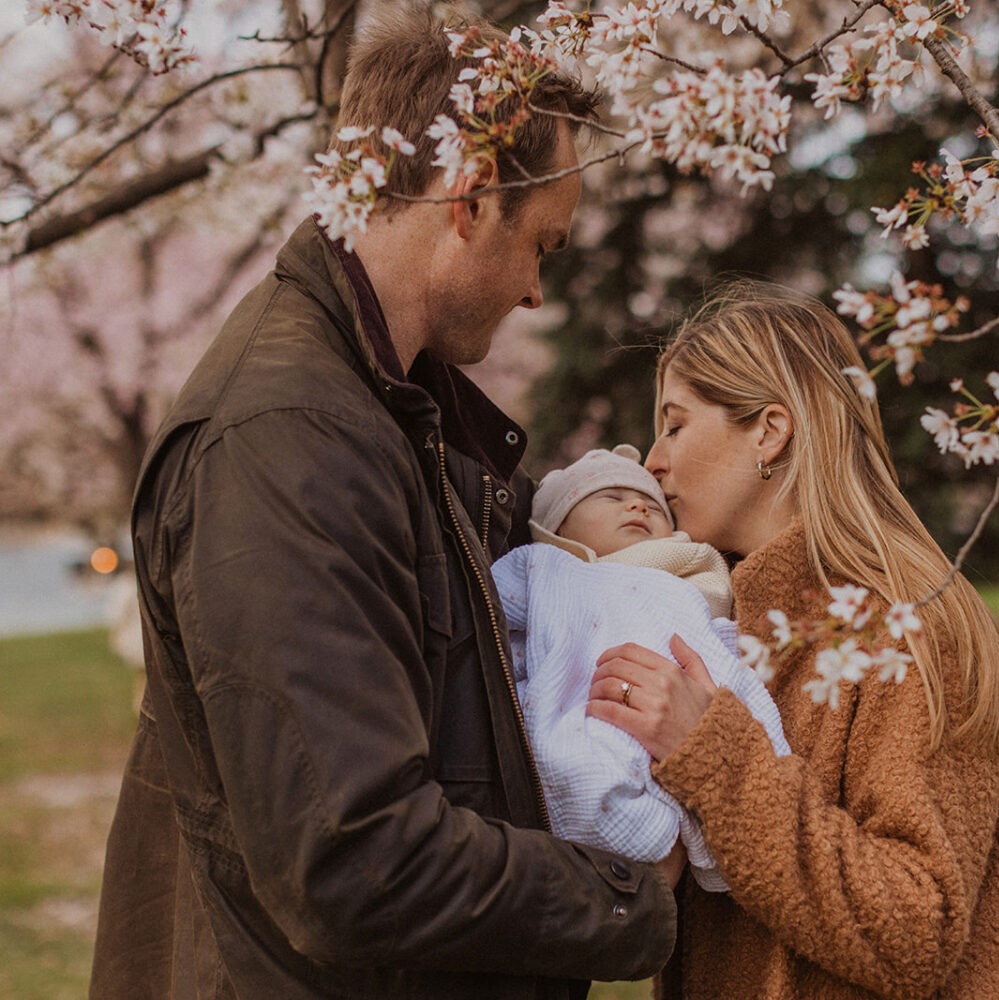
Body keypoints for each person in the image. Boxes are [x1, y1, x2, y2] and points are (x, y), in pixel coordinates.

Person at [89, 9, 678, 999]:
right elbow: (353, 858)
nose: (538, 292)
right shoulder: (287, 438)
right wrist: (634, 893)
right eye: (544, 244)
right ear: (469, 195)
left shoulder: (395, 408)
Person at [587, 281, 999, 999]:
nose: (652, 461)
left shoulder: (914, 629)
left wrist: (714, 760)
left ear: (770, 431)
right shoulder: (731, 630)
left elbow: (915, 929)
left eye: (675, 425)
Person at [491, 444, 789, 892]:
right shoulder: (547, 567)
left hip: (668, 765)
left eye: (651, 504)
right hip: (572, 737)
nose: (636, 504)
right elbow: (489, 622)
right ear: (556, 529)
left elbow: (727, 661)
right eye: (609, 497)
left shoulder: (693, 589)